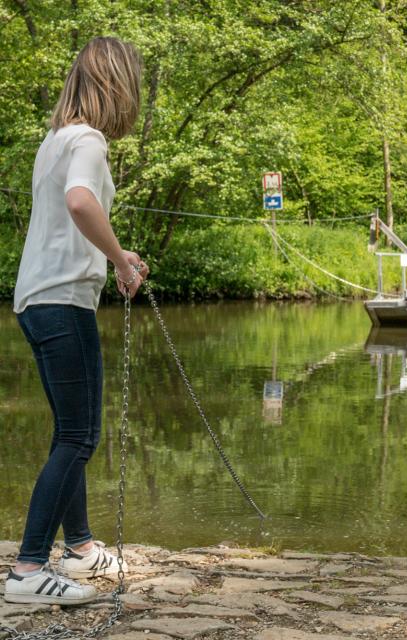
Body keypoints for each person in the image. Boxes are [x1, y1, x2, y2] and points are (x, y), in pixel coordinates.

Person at [4, 36, 149, 606]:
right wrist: (118, 259)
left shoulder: (55, 139)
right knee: (80, 434)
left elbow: (73, 217)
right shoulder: (88, 139)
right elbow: (82, 203)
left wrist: (115, 257)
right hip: (62, 303)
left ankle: (81, 547)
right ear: (116, 85)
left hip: (39, 300)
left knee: (71, 430)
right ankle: (29, 570)